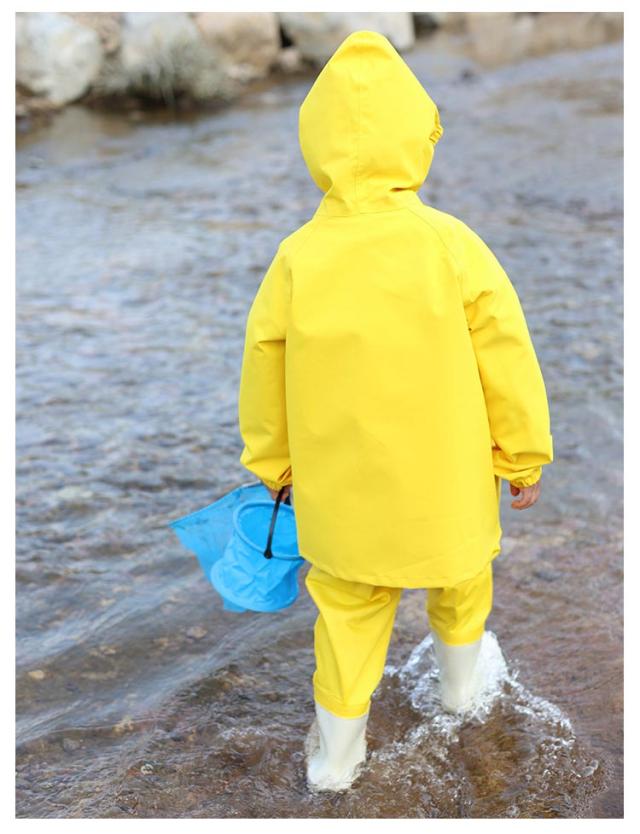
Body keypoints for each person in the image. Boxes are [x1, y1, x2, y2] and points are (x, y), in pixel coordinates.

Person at [236, 30, 553, 792]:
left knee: (346, 620)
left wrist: (274, 464)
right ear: (418, 136)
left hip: (344, 498)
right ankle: (461, 697)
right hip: (446, 488)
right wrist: (521, 454)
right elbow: (506, 354)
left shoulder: (297, 257)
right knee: (462, 585)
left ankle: (335, 765)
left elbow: (263, 367)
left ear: (317, 146)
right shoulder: (452, 244)